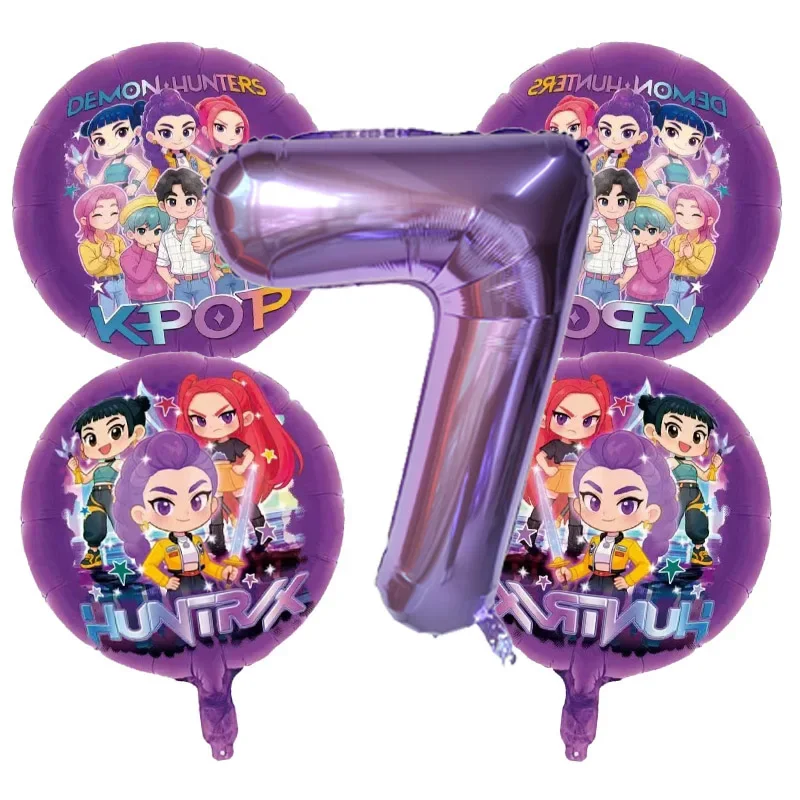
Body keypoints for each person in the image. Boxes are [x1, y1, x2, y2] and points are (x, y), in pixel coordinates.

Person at [176, 372, 303, 556]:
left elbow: (249, 454)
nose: (212, 426)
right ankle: (217, 541)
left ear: (246, 418)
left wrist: (242, 467)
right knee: (216, 508)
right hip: (216, 479)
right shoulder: (207, 448)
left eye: (226, 416)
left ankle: (262, 532)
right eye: (200, 420)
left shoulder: (234, 444)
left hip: (232, 475)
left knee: (246, 503)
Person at [555, 430, 679, 598]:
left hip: (614, 583)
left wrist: (628, 580)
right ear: (578, 505)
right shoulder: (595, 541)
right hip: (593, 581)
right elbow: (585, 566)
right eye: (594, 501)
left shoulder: (629, 545)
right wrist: (570, 574)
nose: (607, 513)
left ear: (650, 513)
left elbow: (643, 565)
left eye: (627, 505)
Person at [114, 430, 238, 595]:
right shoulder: (163, 546)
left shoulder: (197, 541)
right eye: (164, 506)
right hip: (179, 584)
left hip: (200, 581)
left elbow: (207, 565)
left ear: (212, 504)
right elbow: (149, 566)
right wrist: (165, 580)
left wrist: (223, 572)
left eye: (197, 501)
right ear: (140, 514)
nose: (184, 514)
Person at [524, 376, 613, 558]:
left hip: (574, 479)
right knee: (545, 505)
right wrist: (548, 469)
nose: (574, 428)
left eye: (588, 420)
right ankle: (528, 535)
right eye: (562, 417)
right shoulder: (555, 445)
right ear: (545, 418)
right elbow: (540, 456)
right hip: (559, 476)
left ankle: (575, 542)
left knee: (575, 509)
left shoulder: (581, 448)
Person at [640, 394, 722, 567]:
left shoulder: (691, 464)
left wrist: (714, 466)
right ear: (653, 432)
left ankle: (699, 549)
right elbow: (658, 478)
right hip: (677, 493)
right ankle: (652, 549)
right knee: (669, 521)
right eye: (673, 430)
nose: (686, 442)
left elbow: (707, 477)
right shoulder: (670, 462)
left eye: (697, 436)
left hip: (695, 494)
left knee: (698, 520)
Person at [68, 396, 150, 570]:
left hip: (113, 495)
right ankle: (93, 552)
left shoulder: (120, 464)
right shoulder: (98, 467)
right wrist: (75, 469)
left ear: (135, 433)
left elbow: (132, 480)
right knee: (93, 523)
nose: (103, 445)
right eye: (91, 439)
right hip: (95, 497)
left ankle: (139, 550)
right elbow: (83, 480)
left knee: (123, 524)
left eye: (115, 432)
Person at [154, 168, 219, 306]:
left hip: (201, 281)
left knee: (206, 310)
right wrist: (169, 280)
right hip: (180, 283)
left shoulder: (201, 226)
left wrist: (204, 244)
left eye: (189, 201)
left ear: (198, 204)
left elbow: (210, 243)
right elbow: (161, 264)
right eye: (173, 202)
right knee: (182, 313)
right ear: (163, 206)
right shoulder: (166, 236)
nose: (181, 208)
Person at [581, 168, 639, 307]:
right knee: (586, 312)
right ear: (595, 203)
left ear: (630, 205)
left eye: (620, 202)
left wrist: (624, 279)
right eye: (605, 201)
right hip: (592, 280)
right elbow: (572, 250)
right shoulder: (590, 226)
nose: (612, 208)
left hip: (614, 283)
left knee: (612, 314)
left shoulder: (626, 236)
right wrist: (587, 246)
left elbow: (632, 264)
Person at [74, 184, 129, 317]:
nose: (107, 219)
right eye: (99, 214)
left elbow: (126, 263)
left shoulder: (118, 240)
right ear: (84, 220)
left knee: (127, 311)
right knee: (107, 314)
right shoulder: (86, 246)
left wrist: (114, 254)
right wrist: (103, 257)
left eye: (113, 213)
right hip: (105, 283)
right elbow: (91, 269)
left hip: (122, 281)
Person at [665, 185, 720, 317]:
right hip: (671, 281)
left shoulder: (707, 246)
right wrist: (679, 255)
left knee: (686, 315)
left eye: (694, 214)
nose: (686, 219)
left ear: (709, 220)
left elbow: (702, 269)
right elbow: (667, 263)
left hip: (689, 284)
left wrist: (690, 257)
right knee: (666, 312)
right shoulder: (675, 240)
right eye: (680, 213)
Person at [141, 89, 212, 189]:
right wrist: (164, 187)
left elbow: (206, 169)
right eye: (166, 133)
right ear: (152, 137)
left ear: (195, 132)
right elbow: (152, 180)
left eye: (186, 132)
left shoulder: (192, 159)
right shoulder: (161, 162)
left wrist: (202, 179)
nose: (178, 139)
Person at [645, 101, 721, 194]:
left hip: (686, 195)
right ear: (657, 131)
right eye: (672, 132)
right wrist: (659, 184)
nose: (682, 143)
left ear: (700, 146)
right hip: (671, 193)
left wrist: (710, 176)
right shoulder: (665, 159)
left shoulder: (685, 163)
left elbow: (698, 183)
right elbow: (649, 169)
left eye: (693, 140)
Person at [590, 88, 651, 188]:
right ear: (597, 132)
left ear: (641, 137)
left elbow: (641, 182)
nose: (615, 139)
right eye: (607, 132)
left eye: (627, 133)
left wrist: (628, 189)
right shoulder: (601, 159)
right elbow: (588, 171)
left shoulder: (632, 162)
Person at [623, 196, 675, 303]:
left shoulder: (666, 256)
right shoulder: (632, 250)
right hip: (631, 295)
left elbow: (654, 277)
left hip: (654, 298)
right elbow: (625, 269)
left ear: (663, 234)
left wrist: (644, 254)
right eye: (636, 231)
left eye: (651, 231)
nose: (643, 236)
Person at [119, 196, 171, 303]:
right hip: (139, 298)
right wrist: (149, 254)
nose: (150, 236)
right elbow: (139, 277)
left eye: (157, 231)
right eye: (142, 231)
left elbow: (168, 269)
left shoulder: (161, 250)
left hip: (162, 294)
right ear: (130, 234)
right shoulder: (127, 256)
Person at [195, 95, 250, 161]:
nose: (231, 135)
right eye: (220, 128)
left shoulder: (234, 148)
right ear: (205, 130)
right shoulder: (203, 145)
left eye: (237, 130)